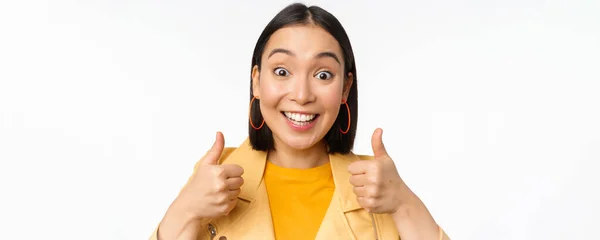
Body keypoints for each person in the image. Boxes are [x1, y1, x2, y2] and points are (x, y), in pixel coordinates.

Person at [149, 3, 450, 240]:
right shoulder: (212, 181)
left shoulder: (379, 188)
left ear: (345, 88)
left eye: (323, 75)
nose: (302, 95)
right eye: (282, 72)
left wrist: (404, 204)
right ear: (256, 80)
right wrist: (185, 209)